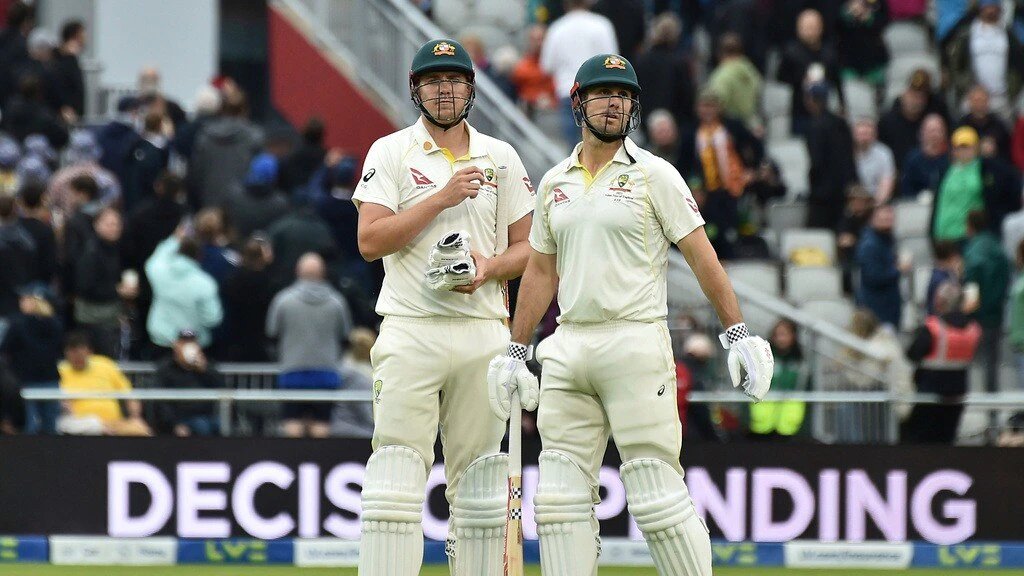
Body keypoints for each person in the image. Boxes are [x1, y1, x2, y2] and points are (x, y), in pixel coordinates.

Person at [486, 53, 773, 576]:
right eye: (603, 93)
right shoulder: (554, 182)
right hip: (568, 347)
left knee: (657, 498)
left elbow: (701, 254)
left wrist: (737, 332)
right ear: (578, 102)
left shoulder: (655, 175)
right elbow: (541, 273)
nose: (614, 103)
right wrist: (515, 348)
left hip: (635, 343)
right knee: (558, 504)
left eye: (623, 95)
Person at [353, 38, 535, 576]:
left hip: (483, 330)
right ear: (416, 89)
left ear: (471, 89)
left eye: (454, 80)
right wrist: (441, 196)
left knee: (480, 492)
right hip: (411, 327)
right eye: (433, 81)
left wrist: (487, 268)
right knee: (393, 485)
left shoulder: (500, 156)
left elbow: (528, 252)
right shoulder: (390, 151)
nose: (445, 90)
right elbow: (369, 241)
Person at [265, 253, 352, 438]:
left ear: (298, 272)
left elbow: (271, 334)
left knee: (292, 424)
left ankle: (293, 461)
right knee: (322, 425)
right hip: (326, 372)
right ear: (323, 273)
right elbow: (345, 336)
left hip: (292, 371)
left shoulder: (283, 300)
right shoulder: (337, 302)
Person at [902, 281, 981, 443]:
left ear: (940, 302)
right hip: (957, 394)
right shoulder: (973, 329)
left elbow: (912, 353)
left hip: (929, 395)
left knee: (919, 439)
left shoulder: (933, 328)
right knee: (947, 438)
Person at [57, 331, 152, 436]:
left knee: (142, 430)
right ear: (66, 355)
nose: (78, 360)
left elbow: (129, 394)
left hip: (114, 422)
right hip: (83, 425)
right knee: (91, 425)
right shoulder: (61, 371)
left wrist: (135, 417)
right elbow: (64, 405)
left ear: (89, 352)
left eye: (81, 356)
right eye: (73, 356)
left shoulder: (105, 365)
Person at [153, 329, 225, 436]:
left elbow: (222, 387)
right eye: (184, 343)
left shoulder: (207, 366)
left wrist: (206, 370)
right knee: (202, 426)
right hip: (179, 419)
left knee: (221, 425)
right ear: (176, 346)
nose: (189, 347)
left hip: (206, 415)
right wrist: (175, 424)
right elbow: (160, 401)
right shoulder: (165, 369)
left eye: (192, 343)